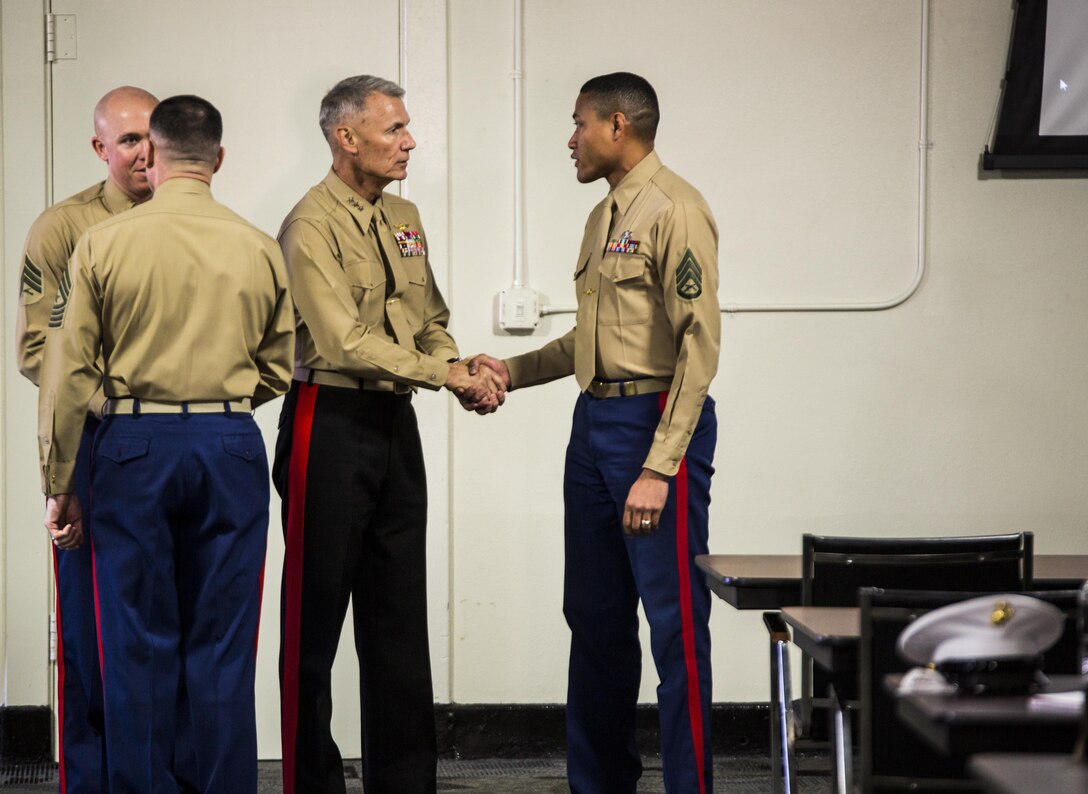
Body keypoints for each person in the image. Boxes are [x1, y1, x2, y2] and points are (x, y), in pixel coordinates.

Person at [469, 72, 721, 793]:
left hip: (654, 424)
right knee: (594, 614)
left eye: (579, 123)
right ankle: (600, 783)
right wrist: (510, 372)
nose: (570, 139)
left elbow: (698, 346)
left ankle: (691, 786)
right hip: (594, 424)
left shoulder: (676, 208)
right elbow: (593, 337)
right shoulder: (605, 213)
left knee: (674, 626)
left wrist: (660, 466)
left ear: (619, 125)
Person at [37, 94, 295, 793]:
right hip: (228, 443)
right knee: (222, 646)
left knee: (134, 643)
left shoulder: (103, 243)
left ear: (153, 150)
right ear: (219, 157)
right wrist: (220, 405)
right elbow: (279, 365)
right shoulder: (258, 245)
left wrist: (61, 482)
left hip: (132, 445)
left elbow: (65, 375)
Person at [274, 74, 500, 794]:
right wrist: (448, 377)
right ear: (346, 137)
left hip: (393, 421)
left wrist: (458, 365)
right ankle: (311, 781)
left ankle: (405, 784)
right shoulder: (309, 225)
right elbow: (340, 343)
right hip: (327, 421)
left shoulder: (402, 213)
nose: (409, 142)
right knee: (313, 626)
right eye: (393, 130)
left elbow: (426, 318)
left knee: (399, 617)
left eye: (406, 128)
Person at [16, 84, 157, 794]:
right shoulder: (63, 228)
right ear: (100, 148)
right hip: (97, 444)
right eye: (128, 140)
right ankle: (93, 780)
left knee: (173, 625)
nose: (144, 151)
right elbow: (36, 349)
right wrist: (116, 397)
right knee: (91, 633)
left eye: (154, 135)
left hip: (174, 447)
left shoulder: (188, 220)